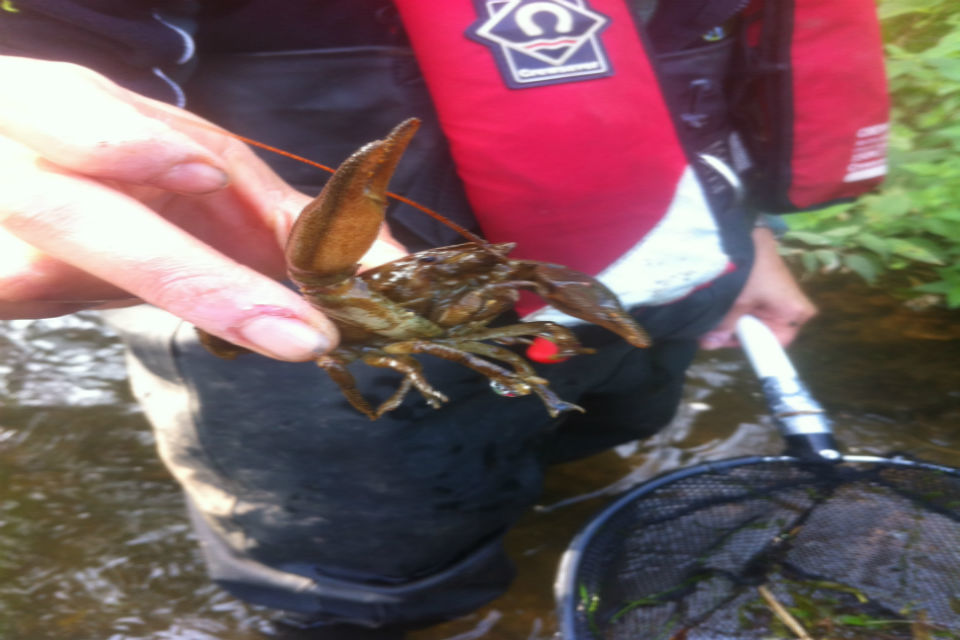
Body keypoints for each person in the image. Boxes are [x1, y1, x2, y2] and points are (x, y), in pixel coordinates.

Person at [0, 0, 833, 637]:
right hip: (298, 346)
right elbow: (64, 51)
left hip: (650, 284)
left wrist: (750, 224)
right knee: (366, 592)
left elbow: (733, 46)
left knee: (589, 443)